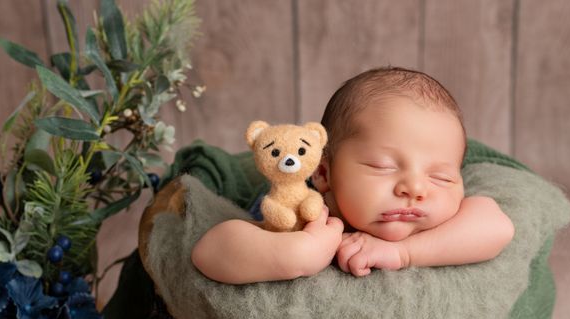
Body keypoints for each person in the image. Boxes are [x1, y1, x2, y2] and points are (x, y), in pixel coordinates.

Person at [192, 66, 514, 283]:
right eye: (383, 166)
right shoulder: (305, 211)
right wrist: (301, 252)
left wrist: (402, 253)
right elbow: (208, 251)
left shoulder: (433, 218)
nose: (415, 188)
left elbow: (497, 227)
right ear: (323, 173)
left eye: (441, 177)